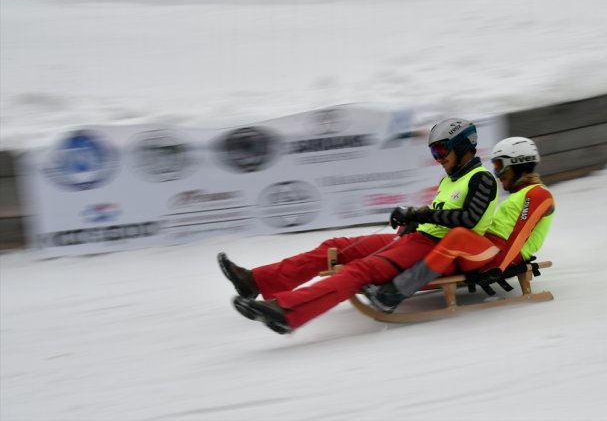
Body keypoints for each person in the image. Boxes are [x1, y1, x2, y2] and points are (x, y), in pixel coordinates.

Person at [218, 118, 498, 334]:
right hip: (417, 240)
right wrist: (411, 220)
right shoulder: (450, 180)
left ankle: (287, 311)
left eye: (441, 150)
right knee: (336, 248)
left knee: (360, 271)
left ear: (462, 146)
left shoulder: (481, 179)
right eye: (434, 152)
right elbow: (439, 213)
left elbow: (468, 219)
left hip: (440, 251)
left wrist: (418, 214)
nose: (438, 158)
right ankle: (255, 281)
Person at [362, 136, 555, 312]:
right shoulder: (520, 195)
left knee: (455, 238)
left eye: (498, 165)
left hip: (498, 254)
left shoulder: (539, 194)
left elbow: (519, 236)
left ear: (518, 164)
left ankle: (393, 293)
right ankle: (383, 278)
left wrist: (498, 267)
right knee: (427, 242)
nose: (496, 173)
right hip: (483, 247)